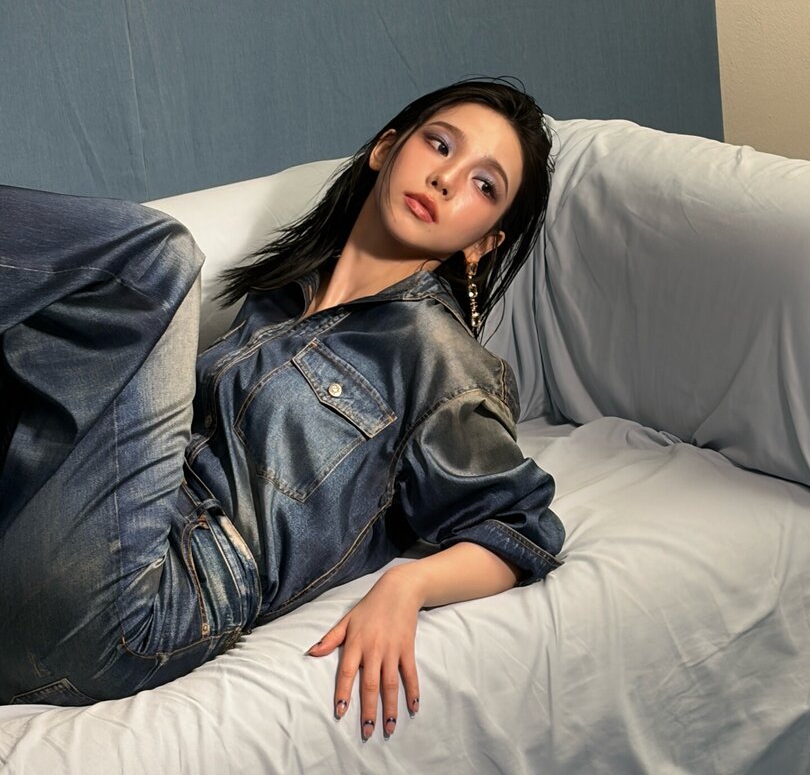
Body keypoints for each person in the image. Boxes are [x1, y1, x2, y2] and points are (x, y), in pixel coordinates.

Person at [0, 78, 565, 741]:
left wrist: (406, 589)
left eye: (483, 185)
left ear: (483, 243)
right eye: (440, 145)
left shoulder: (438, 354)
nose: (446, 179)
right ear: (386, 149)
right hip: (59, 544)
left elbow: (519, 524)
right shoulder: (280, 296)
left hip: (143, 604)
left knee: (152, 261)